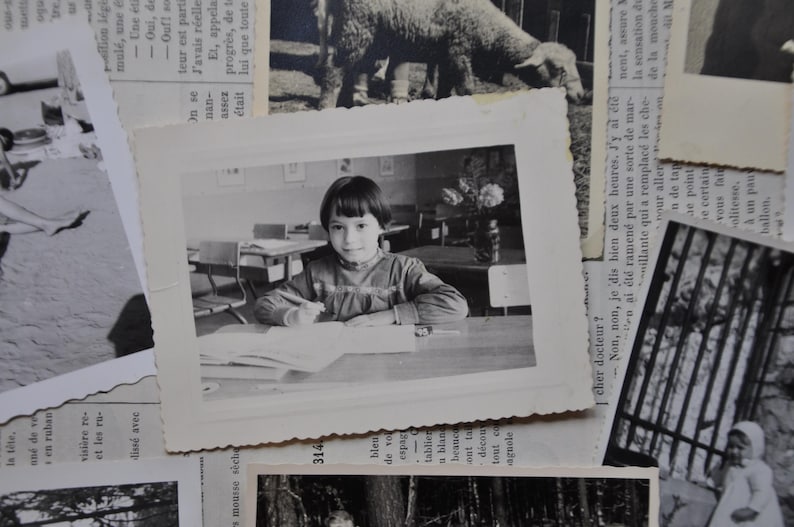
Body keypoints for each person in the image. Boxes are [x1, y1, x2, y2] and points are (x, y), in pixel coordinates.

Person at [254, 175, 468, 327]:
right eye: (338, 227)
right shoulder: (317, 272)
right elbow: (266, 303)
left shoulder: (403, 269)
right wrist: (291, 316)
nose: (349, 239)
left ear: (383, 226)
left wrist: (389, 316)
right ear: (328, 229)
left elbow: (455, 304)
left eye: (361, 226)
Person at [707, 421, 784, 527]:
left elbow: (762, 492)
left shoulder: (759, 469)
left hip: (752, 516)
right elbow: (720, 477)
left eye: (740, 448)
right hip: (732, 509)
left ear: (755, 449)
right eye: (731, 446)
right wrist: (709, 484)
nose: (734, 451)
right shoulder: (729, 465)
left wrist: (752, 509)